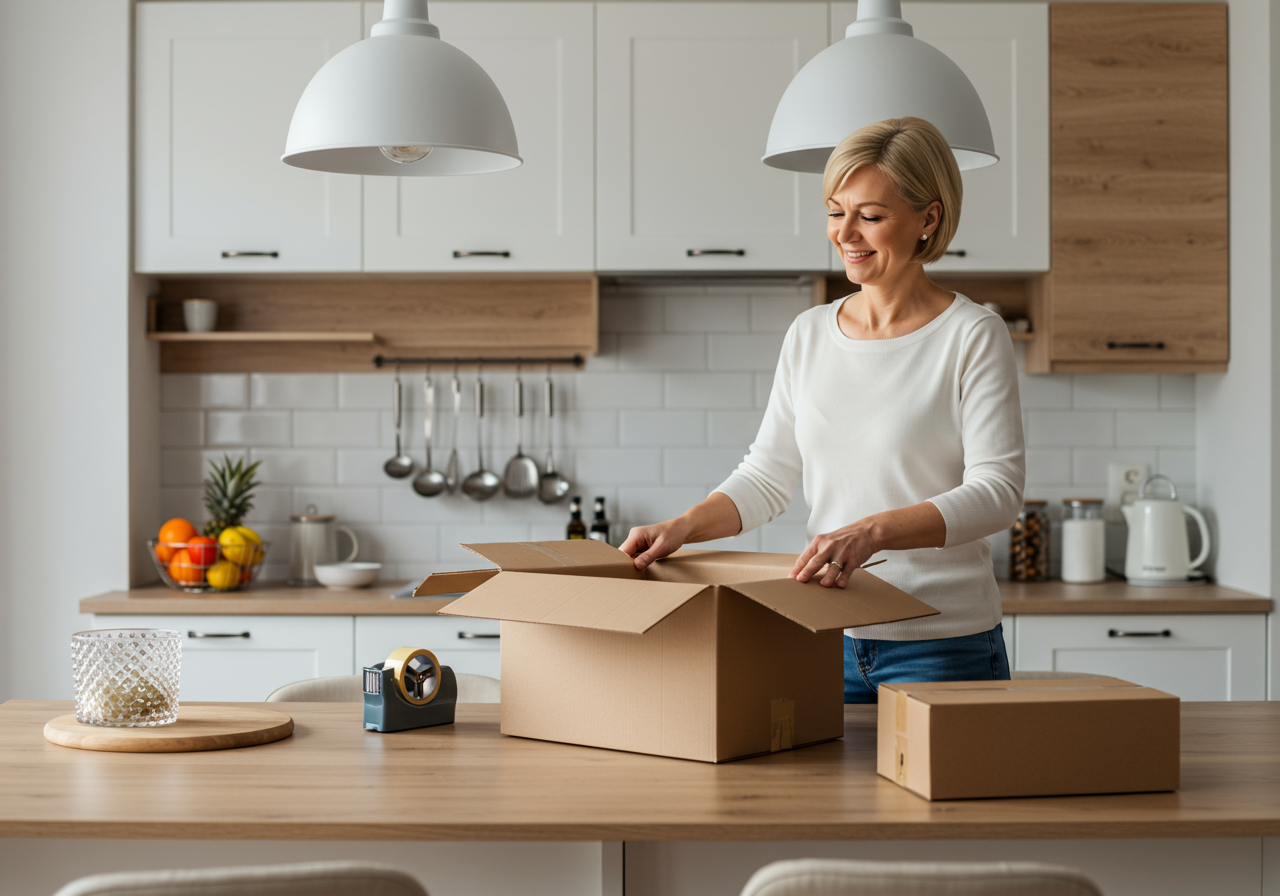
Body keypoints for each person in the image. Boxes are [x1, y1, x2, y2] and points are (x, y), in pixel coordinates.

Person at [619, 117, 1026, 703]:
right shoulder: (809, 333)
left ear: (928, 219)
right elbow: (767, 476)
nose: (846, 234)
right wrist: (683, 527)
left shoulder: (972, 334)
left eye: (872, 215)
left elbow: (997, 491)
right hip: (823, 634)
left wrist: (871, 532)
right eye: (836, 212)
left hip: (940, 641)